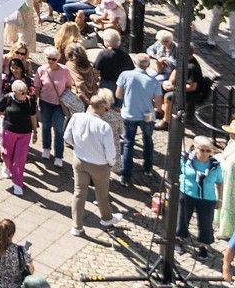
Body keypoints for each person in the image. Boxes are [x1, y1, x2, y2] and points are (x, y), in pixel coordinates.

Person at [64, 89, 119, 236]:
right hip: (100, 165)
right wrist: (110, 163)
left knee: (79, 193)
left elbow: (67, 137)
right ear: (101, 108)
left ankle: (76, 226)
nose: (106, 112)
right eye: (106, 109)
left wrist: (78, 147)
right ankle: (106, 218)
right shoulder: (104, 127)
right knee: (102, 194)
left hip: (80, 160)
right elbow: (110, 150)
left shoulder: (76, 117)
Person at [116, 53, 163, 185]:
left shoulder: (125, 75)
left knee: (128, 143)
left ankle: (126, 175)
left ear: (135, 63)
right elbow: (159, 105)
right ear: (148, 65)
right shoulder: (154, 82)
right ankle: (147, 168)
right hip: (148, 115)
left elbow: (118, 94)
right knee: (148, 140)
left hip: (130, 113)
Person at [179, 137, 222, 256]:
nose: (205, 153)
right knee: (182, 218)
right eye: (202, 150)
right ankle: (179, 240)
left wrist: (220, 199)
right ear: (195, 148)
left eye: (208, 151)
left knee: (206, 223)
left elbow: (220, 182)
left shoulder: (215, 165)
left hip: (207, 197)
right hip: (187, 193)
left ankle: (203, 246)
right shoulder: (185, 159)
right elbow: (176, 173)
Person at [0, 80, 37, 195]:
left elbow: (33, 116)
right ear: (14, 92)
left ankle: (18, 184)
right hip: (9, 131)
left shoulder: (30, 101)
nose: (25, 94)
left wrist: (35, 131)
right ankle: (7, 167)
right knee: (6, 154)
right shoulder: (7, 98)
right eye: (22, 92)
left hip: (25, 133)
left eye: (26, 91)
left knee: (20, 160)